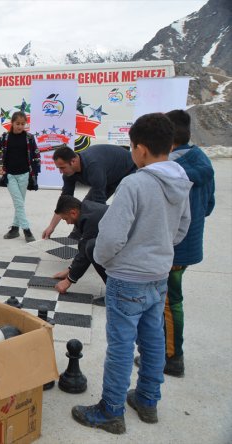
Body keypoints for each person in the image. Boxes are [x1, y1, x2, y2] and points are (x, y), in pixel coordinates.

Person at [72, 113, 192, 434]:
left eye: (131, 148)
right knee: (152, 339)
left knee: (122, 345)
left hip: (127, 277)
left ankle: (111, 410)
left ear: (139, 149)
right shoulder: (181, 179)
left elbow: (110, 238)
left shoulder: (135, 182)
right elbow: (182, 228)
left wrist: (102, 257)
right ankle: (148, 400)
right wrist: (158, 247)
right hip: (158, 274)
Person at [148, 109, 215, 377]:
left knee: (168, 302)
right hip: (189, 243)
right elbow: (209, 205)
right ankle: (163, 351)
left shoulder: (171, 170)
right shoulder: (202, 161)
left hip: (174, 246)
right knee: (168, 300)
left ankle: (172, 357)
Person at [43, 144, 136, 239]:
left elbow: (99, 207)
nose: (61, 172)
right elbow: (64, 202)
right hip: (108, 175)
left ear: (73, 161)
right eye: (59, 168)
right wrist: (51, 227)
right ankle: (75, 237)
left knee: (120, 208)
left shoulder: (93, 167)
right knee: (83, 208)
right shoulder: (68, 174)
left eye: (62, 168)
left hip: (129, 170)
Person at [0, 111, 40, 242]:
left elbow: (36, 156)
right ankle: (27, 230)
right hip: (10, 176)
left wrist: (34, 174)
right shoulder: (5, 137)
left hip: (24, 175)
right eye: (17, 123)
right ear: (12, 123)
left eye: (22, 124)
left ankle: (14, 229)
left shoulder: (29, 138)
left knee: (20, 204)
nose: (20, 126)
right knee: (19, 203)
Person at [51, 195, 108, 294]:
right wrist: (70, 270)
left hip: (132, 252)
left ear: (73, 212)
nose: (68, 223)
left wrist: (69, 280)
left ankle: (117, 293)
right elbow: (83, 247)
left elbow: (85, 254)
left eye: (65, 219)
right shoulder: (85, 209)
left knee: (92, 248)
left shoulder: (91, 219)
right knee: (89, 246)